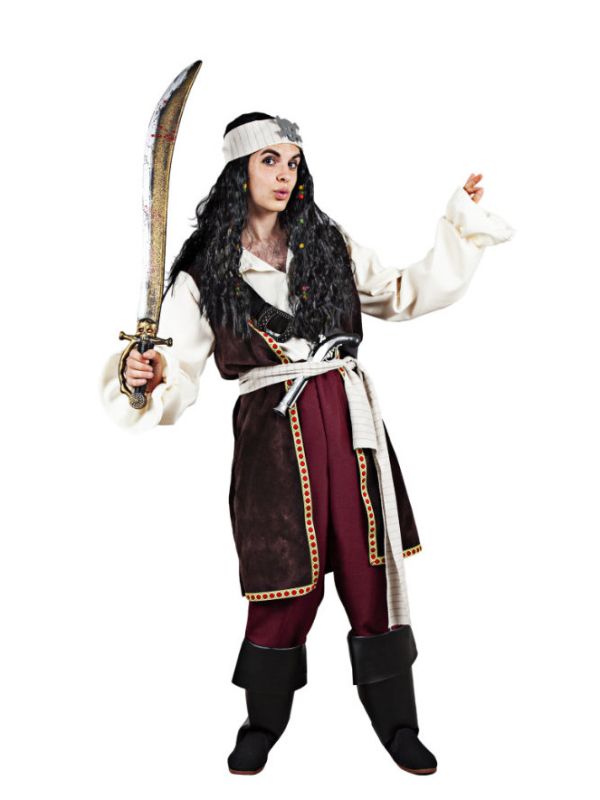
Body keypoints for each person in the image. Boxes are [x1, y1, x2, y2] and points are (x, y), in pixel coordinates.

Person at [99, 112, 515, 776]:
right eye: (269, 161)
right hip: (270, 437)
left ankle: (399, 726)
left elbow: (403, 293)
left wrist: (459, 227)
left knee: (371, 571)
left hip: (350, 425)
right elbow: (175, 366)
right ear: (239, 173)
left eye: (292, 162)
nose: (284, 175)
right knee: (282, 582)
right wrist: (142, 375)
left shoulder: (326, 242)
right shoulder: (204, 271)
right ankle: (262, 725)